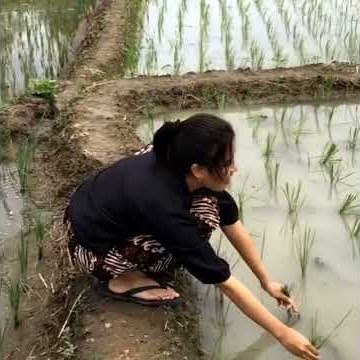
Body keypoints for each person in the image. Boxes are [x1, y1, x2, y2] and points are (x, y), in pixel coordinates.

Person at [65, 113, 320, 359]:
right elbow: (221, 278)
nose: (235, 169)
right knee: (203, 220)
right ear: (198, 169)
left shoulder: (176, 156)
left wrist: (267, 281)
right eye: (226, 164)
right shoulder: (160, 202)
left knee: (210, 206)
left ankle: (137, 266)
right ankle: (122, 281)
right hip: (90, 249)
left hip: (94, 212)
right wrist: (283, 334)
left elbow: (231, 221)